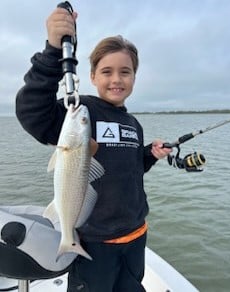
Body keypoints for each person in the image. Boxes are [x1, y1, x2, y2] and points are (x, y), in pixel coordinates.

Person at [16, 7, 172, 292]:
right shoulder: (81, 110)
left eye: (125, 72)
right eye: (107, 72)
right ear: (92, 76)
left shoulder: (133, 123)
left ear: (135, 78)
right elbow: (33, 113)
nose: (116, 79)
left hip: (136, 235)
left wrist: (149, 154)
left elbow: (131, 166)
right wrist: (53, 51)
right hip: (93, 240)